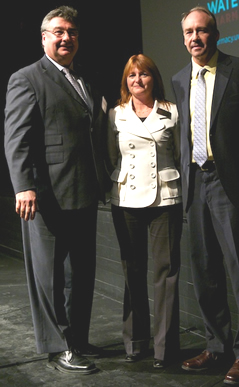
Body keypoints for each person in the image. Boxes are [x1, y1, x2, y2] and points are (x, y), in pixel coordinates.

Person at [4, 5, 109, 375]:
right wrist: (24, 186)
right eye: (59, 31)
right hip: (45, 197)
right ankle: (57, 347)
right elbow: (16, 138)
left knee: (81, 274)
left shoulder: (84, 79)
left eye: (73, 32)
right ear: (45, 37)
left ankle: (76, 339)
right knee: (49, 277)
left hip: (84, 192)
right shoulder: (27, 78)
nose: (67, 37)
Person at [172, 6, 239, 385]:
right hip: (195, 184)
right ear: (183, 38)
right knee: (205, 272)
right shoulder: (180, 78)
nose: (194, 38)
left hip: (231, 186)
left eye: (201, 30)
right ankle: (216, 346)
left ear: (216, 34)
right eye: (188, 32)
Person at [107, 54, 183, 369]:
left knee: (166, 275)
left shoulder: (172, 112)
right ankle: (136, 342)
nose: (137, 80)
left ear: (154, 78)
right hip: (126, 198)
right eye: (132, 76)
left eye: (144, 75)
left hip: (165, 198)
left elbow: (179, 153)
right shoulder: (115, 114)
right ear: (126, 81)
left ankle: (165, 349)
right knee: (132, 271)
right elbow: (112, 156)